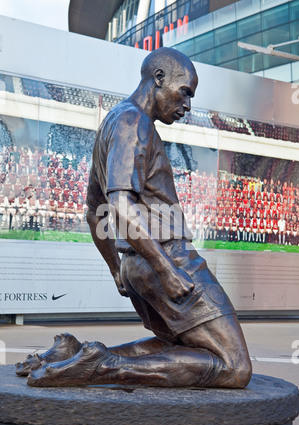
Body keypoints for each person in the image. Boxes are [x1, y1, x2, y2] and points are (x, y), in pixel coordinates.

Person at [17, 48, 251, 389]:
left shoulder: (113, 121)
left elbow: (93, 211)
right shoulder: (133, 122)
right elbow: (120, 208)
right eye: (184, 92)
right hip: (167, 259)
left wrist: (118, 268)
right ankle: (101, 368)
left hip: (138, 262)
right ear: (158, 79)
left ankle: (71, 355)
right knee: (234, 366)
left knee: (180, 347)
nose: (187, 105)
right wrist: (166, 270)